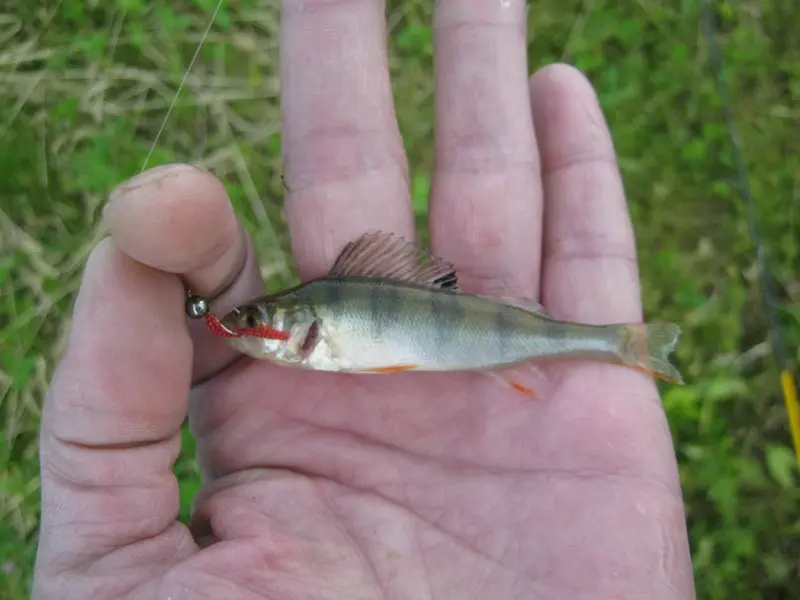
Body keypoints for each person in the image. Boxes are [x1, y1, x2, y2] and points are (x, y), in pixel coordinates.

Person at [31, 2, 696, 598]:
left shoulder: (320, 329)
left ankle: (618, 342)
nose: (247, 327)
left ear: (299, 326)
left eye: (259, 320)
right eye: (253, 321)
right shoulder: (308, 333)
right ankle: (618, 343)